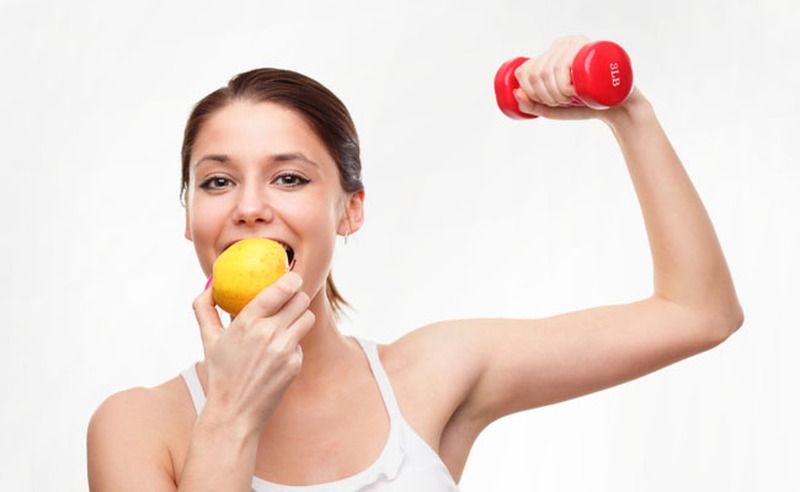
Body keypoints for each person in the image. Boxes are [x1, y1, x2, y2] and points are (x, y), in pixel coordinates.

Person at [86, 36, 743, 491]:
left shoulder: (431, 376)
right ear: (188, 217)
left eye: (289, 179)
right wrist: (230, 412)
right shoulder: (137, 427)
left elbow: (698, 314)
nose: (250, 207)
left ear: (351, 211)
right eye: (218, 182)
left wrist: (627, 113)